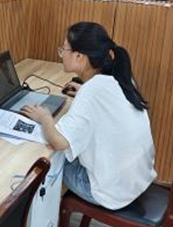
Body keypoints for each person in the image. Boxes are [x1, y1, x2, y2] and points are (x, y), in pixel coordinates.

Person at [21, 22, 156, 210]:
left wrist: (44, 118)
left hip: (111, 191)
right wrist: (85, 92)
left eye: (63, 49)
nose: (61, 54)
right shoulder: (120, 77)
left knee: (50, 159)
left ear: (79, 56)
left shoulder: (92, 91)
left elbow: (59, 142)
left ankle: (40, 216)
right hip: (136, 179)